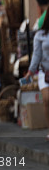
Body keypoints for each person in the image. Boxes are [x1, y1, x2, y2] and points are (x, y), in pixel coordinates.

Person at [26, 8, 49, 140]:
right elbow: (36, 54)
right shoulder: (40, 35)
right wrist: (30, 71)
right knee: (47, 100)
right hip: (44, 72)